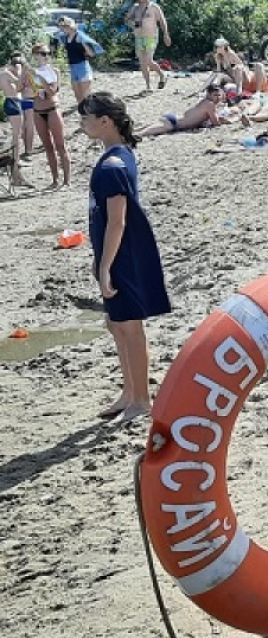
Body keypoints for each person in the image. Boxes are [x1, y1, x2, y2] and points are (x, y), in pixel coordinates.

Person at [80, 92, 171, 423]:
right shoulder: (116, 155)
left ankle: (141, 400)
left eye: (86, 118)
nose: (82, 124)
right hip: (116, 253)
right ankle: (130, 392)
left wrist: (105, 266)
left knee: (129, 327)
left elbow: (117, 222)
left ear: (106, 122)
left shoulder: (113, 165)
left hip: (124, 255)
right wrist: (99, 260)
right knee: (115, 323)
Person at [22, 44, 69, 189]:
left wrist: (40, 79)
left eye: (47, 53)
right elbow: (28, 93)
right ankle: (55, 180)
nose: (45, 56)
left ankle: (67, 181)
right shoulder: (31, 72)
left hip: (52, 109)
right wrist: (27, 80)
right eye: (41, 53)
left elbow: (53, 92)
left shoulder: (53, 70)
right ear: (35, 55)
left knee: (60, 145)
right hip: (37, 110)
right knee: (48, 146)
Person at [136, 84, 229, 137]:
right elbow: (216, 123)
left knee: (146, 129)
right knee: (143, 134)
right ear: (209, 94)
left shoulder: (205, 102)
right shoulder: (209, 104)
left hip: (173, 119)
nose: (217, 98)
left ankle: (132, 132)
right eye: (215, 95)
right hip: (174, 123)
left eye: (218, 95)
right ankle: (135, 135)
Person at [125, 0, 171, 91]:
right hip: (139, 37)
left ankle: (162, 75)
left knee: (149, 61)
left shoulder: (154, 7)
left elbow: (162, 21)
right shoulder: (135, 7)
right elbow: (126, 19)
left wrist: (166, 34)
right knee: (142, 63)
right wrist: (132, 23)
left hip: (151, 37)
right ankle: (148, 86)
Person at [56, 16, 105, 104]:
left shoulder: (80, 36)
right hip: (72, 67)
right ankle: (83, 114)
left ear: (69, 26)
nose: (62, 28)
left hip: (82, 66)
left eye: (63, 26)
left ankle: (91, 112)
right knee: (77, 95)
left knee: (86, 95)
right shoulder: (65, 37)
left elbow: (91, 54)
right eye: (61, 27)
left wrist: (83, 43)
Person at [0, 53, 31, 187]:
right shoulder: (6, 74)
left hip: (12, 102)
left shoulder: (4, 74)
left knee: (17, 134)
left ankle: (16, 160)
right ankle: (15, 160)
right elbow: (19, 83)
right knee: (16, 135)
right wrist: (20, 70)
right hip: (13, 102)